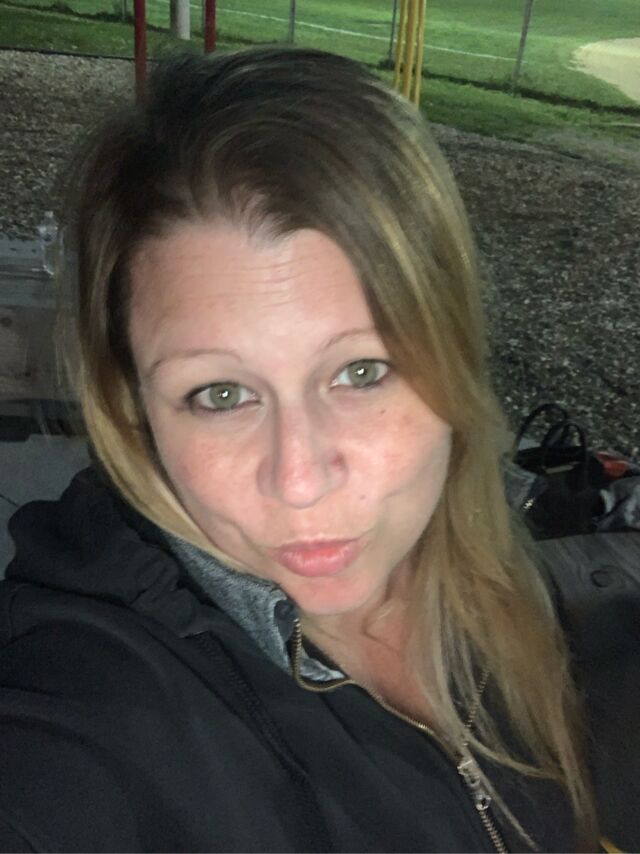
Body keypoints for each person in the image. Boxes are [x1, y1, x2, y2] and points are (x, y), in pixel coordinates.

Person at [0, 46, 633, 852]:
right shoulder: (94, 705)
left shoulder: (505, 585)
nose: (299, 480)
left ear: (453, 357)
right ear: (136, 407)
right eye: (219, 394)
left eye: (362, 372)